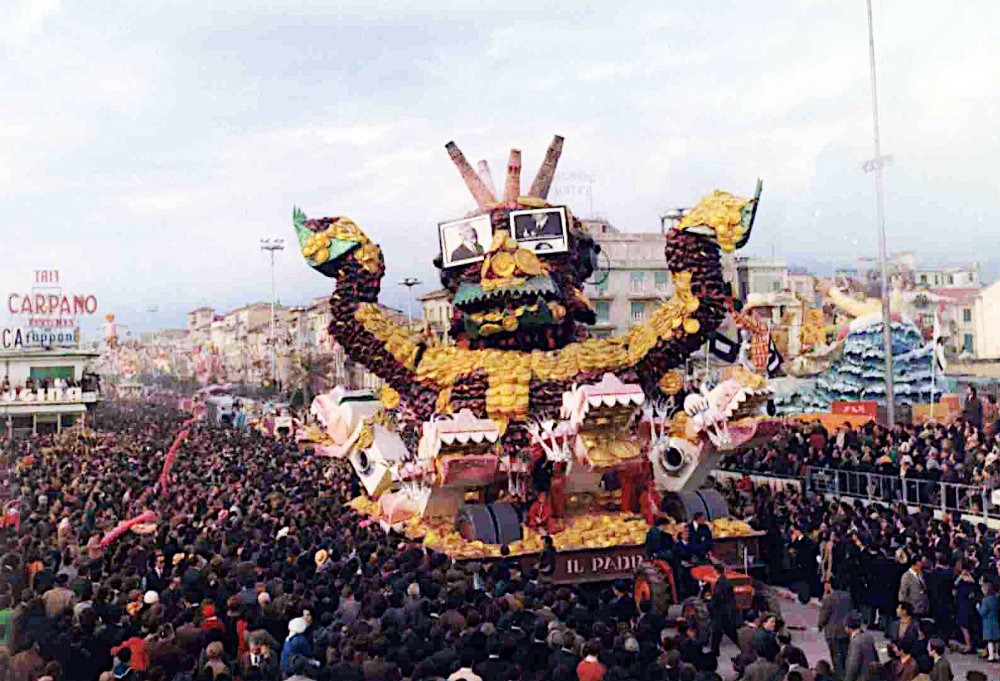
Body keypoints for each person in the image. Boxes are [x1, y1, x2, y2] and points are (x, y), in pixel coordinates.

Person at [818, 580, 852, 680]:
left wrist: (820, 625)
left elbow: (824, 615)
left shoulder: (829, 598)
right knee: (845, 655)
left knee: (836, 657)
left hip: (832, 632)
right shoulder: (848, 597)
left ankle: (839, 677)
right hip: (845, 630)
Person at [708, 563, 741, 656]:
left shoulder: (720, 583)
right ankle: (714, 651)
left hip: (722, 613)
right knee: (718, 633)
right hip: (727, 612)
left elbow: (718, 597)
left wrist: (710, 604)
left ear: (716, 571)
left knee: (723, 632)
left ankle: (714, 651)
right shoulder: (725, 581)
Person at [845, 612, 879, 681]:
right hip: (872, 675)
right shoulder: (868, 636)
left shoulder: (856, 641)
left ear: (848, 627)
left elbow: (853, 665)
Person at [977, 581, 999, 662]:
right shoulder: (996, 598)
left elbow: (983, 612)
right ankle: (996, 655)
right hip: (995, 620)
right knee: (996, 640)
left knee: (990, 640)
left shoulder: (985, 600)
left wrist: (978, 607)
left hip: (988, 622)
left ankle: (991, 656)